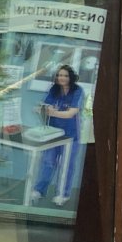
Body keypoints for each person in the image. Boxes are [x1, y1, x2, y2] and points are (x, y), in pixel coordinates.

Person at [29, 64, 85, 206]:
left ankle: (63, 194)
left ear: (70, 77)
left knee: (66, 165)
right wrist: (40, 108)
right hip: (53, 133)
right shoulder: (53, 90)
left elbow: (72, 112)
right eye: (59, 75)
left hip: (71, 135)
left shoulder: (77, 91)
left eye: (65, 75)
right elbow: (45, 106)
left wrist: (53, 112)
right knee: (48, 162)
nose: (62, 78)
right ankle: (39, 190)